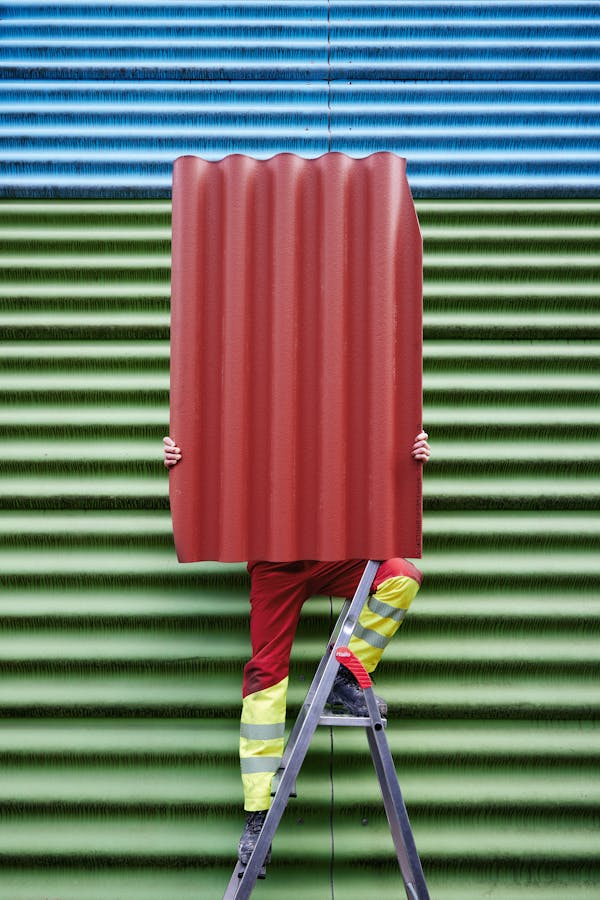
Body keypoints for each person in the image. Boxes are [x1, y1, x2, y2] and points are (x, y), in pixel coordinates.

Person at [163, 431, 431, 865]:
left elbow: (369, 453)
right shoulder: (251, 413)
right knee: (264, 676)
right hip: (273, 564)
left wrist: (409, 456)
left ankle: (344, 678)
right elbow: (214, 465)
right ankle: (257, 814)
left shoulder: (336, 407)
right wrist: (182, 464)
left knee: (401, 578)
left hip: (331, 550)